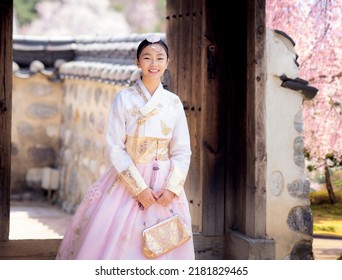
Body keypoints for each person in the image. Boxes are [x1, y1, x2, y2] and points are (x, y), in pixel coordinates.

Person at [56, 34, 195, 260]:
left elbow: (182, 150)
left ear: (167, 63)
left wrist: (171, 189)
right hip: (129, 178)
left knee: (167, 243)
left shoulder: (173, 103)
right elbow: (115, 147)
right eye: (147, 58)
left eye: (160, 58)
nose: (154, 63)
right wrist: (139, 188)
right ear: (137, 62)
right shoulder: (124, 99)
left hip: (164, 185)